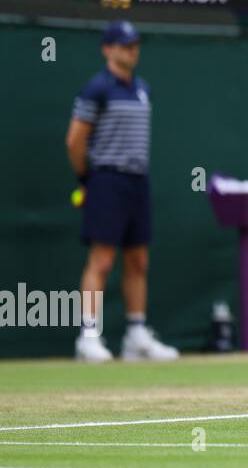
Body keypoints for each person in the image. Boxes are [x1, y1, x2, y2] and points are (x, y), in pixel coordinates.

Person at [66, 20, 179, 362]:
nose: (132, 50)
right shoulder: (96, 89)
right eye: (124, 44)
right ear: (107, 49)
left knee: (138, 260)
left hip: (137, 182)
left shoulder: (143, 88)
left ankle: (136, 335)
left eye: (135, 45)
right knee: (101, 259)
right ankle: (88, 337)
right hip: (105, 181)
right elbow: (75, 141)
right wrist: (87, 179)